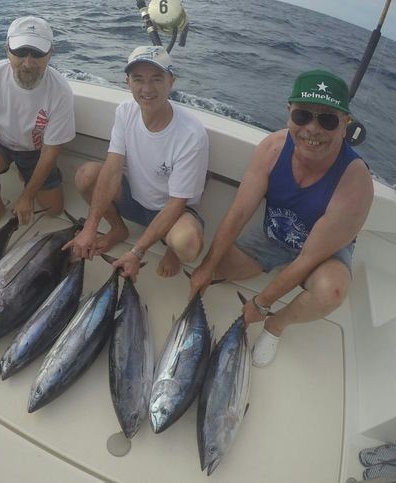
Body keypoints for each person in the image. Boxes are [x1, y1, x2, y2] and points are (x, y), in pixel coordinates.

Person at [189, 69, 373, 367]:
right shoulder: (272, 148)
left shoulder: (355, 182)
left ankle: (277, 326)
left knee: (331, 290)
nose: (312, 129)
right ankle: (270, 269)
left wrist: (262, 304)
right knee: (217, 270)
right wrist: (207, 266)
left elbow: (309, 258)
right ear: (288, 112)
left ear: (345, 125)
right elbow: (238, 213)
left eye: (327, 120)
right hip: (275, 235)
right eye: (302, 116)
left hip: (323, 253)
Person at [65, 45, 209, 279]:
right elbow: (112, 169)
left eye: (156, 79)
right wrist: (90, 227)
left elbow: (176, 203)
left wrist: (136, 252)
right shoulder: (125, 112)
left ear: (171, 81)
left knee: (188, 243)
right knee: (86, 174)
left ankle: (171, 249)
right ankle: (118, 229)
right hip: (133, 198)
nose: (147, 89)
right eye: (138, 79)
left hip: (171, 210)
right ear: (128, 82)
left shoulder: (191, 134)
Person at [0, 16, 75, 235]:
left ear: (51, 53)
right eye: (20, 52)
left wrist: (27, 196)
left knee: (54, 209)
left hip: (36, 151)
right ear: (6, 50)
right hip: (0, 144)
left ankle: (27, 175)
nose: (28, 63)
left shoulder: (60, 91)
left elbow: (51, 151)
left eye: (37, 53)